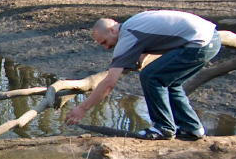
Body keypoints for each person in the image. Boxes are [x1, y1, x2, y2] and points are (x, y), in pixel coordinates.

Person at [65, 10, 221, 140]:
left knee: (151, 77)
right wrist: (141, 59)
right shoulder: (134, 22)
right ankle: (192, 128)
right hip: (211, 38)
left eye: (104, 42)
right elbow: (155, 36)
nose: (106, 47)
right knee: (171, 83)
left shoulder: (127, 36)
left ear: (112, 30)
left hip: (199, 43)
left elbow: (109, 83)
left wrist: (82, 109)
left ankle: (164, 128)